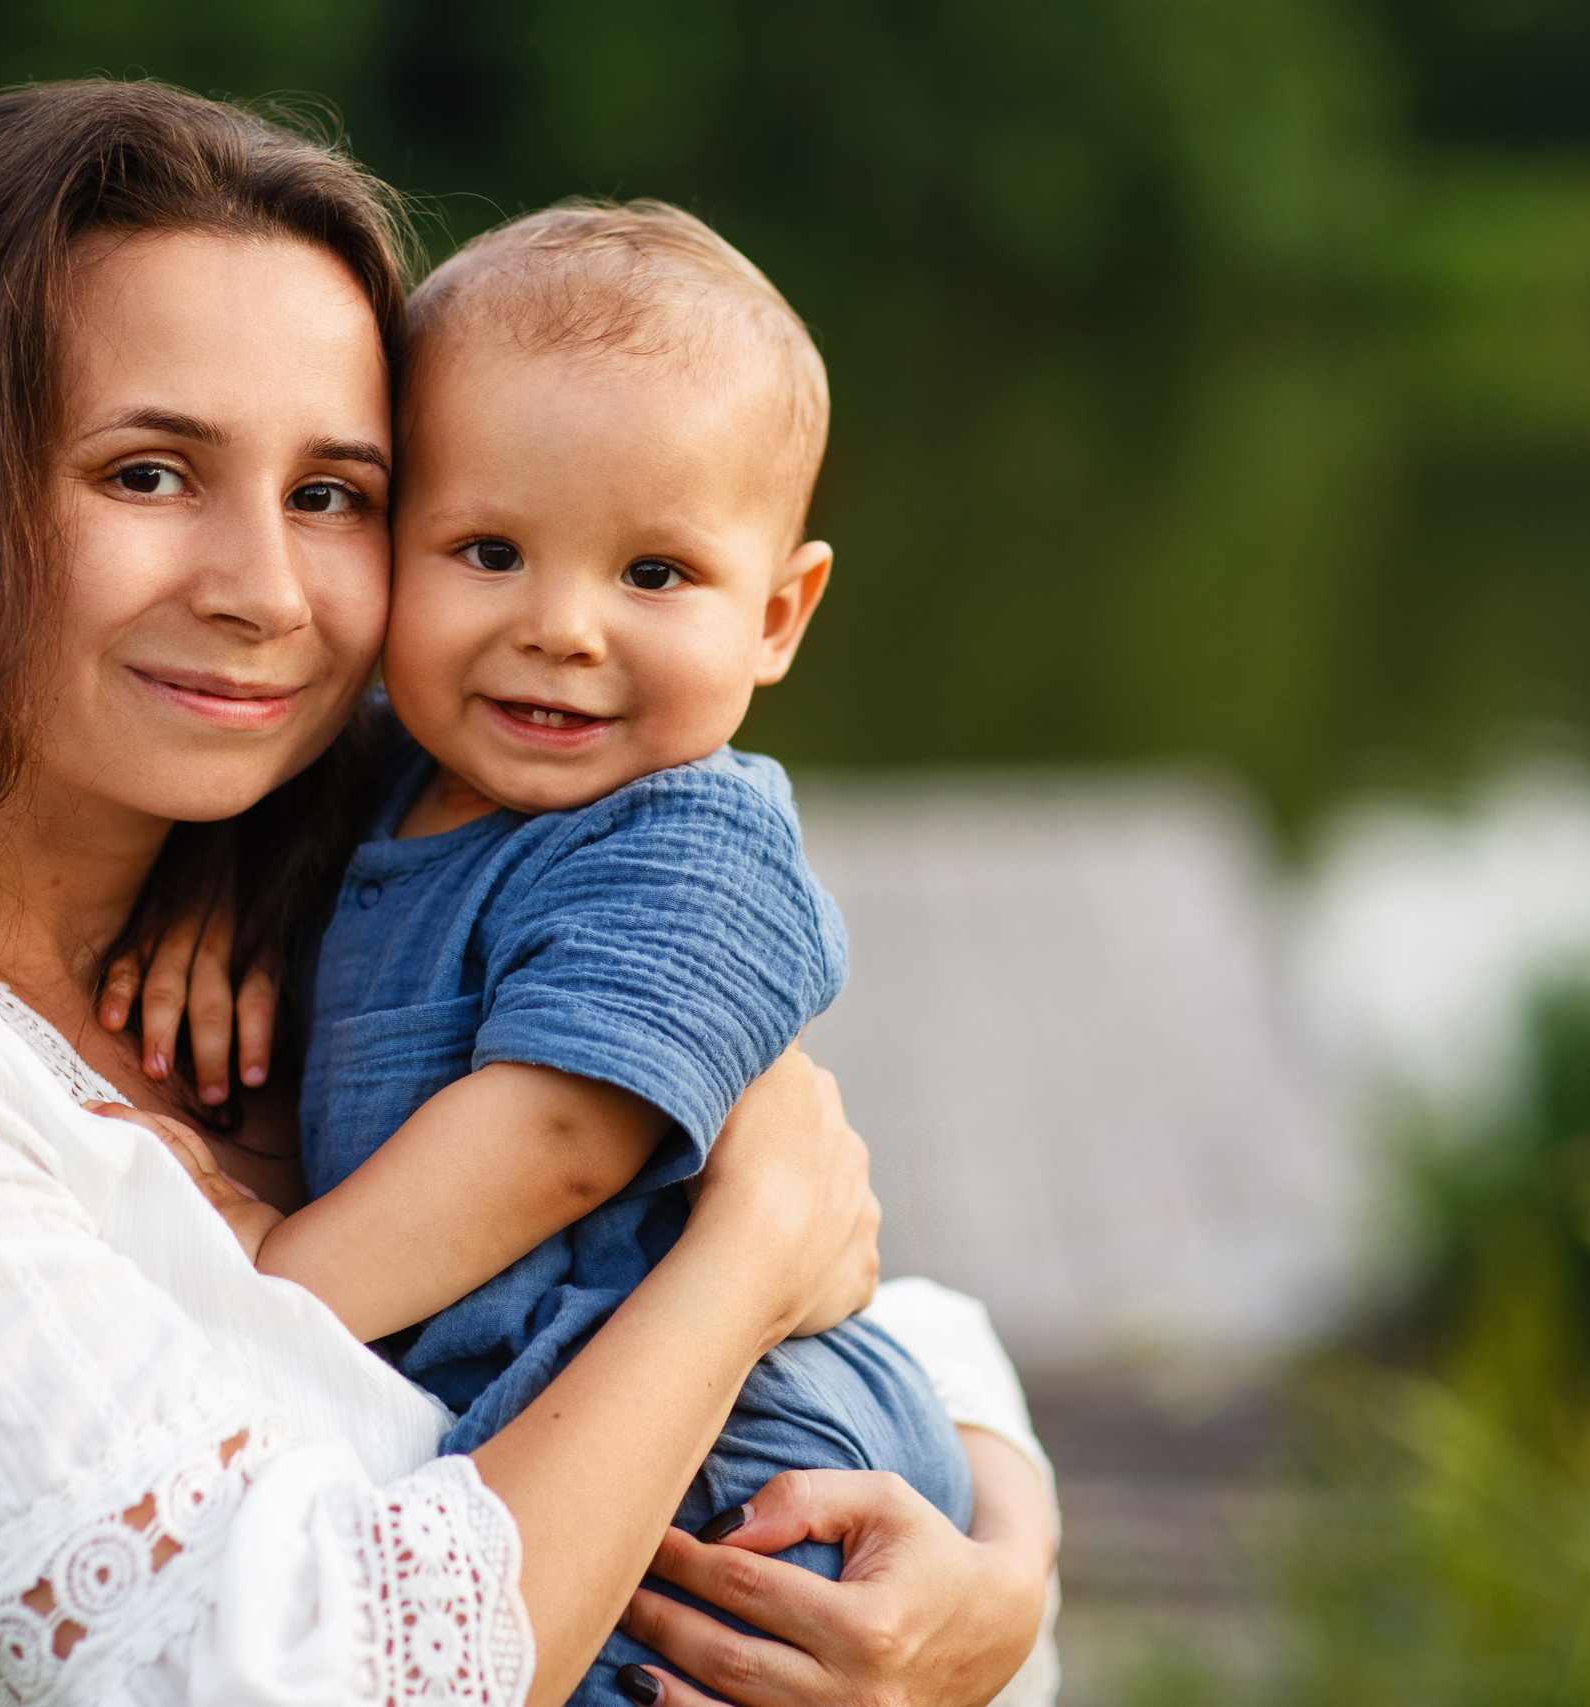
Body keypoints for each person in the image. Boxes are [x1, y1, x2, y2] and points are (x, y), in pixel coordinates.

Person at [0, 80, 1059, 1707]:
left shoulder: (346, 869)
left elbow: (868, 1305)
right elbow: (304, 1674)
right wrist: (749, 1254)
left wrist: (1003, 1570)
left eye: (332, 495)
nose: (263, 591)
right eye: (147, 474)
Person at [125, 199, 963, 1707]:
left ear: (778, 612)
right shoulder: (375, 770)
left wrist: (258, 1284)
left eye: (654, 577)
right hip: (544, 1427)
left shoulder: (692, 847)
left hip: (741, 1465)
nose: (561, 629)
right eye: (490, 550)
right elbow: (298, 824)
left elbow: (563, 1140)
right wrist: (225, 886)